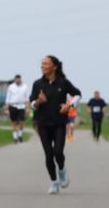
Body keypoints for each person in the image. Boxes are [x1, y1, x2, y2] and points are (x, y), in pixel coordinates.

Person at [29, 55, 81, 194]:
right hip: (43, 123)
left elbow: (77, 94)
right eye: (42, 64)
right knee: (48, 154)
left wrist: (69, 105)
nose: (42, 66)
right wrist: (38, 102)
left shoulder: (63, 82)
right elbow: (32, 104)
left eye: (45, 64)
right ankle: (53, 182)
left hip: (59, 123)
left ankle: (62, 170)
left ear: (54, 66)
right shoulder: (37, 84)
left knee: (58, 152)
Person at [4, 74, 29, 144]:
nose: (17, 80)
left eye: (19, 79)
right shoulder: (11, 87)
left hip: (22, 106)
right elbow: (8, 98)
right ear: (14, 79)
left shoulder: (25, 86)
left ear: (21, 79)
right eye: (16, 79)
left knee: (22, 122)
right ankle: (15, 137)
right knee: (14, 122)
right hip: (13, 105)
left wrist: (27, 108)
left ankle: (20, 135)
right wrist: (6, 109)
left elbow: (27, 98)